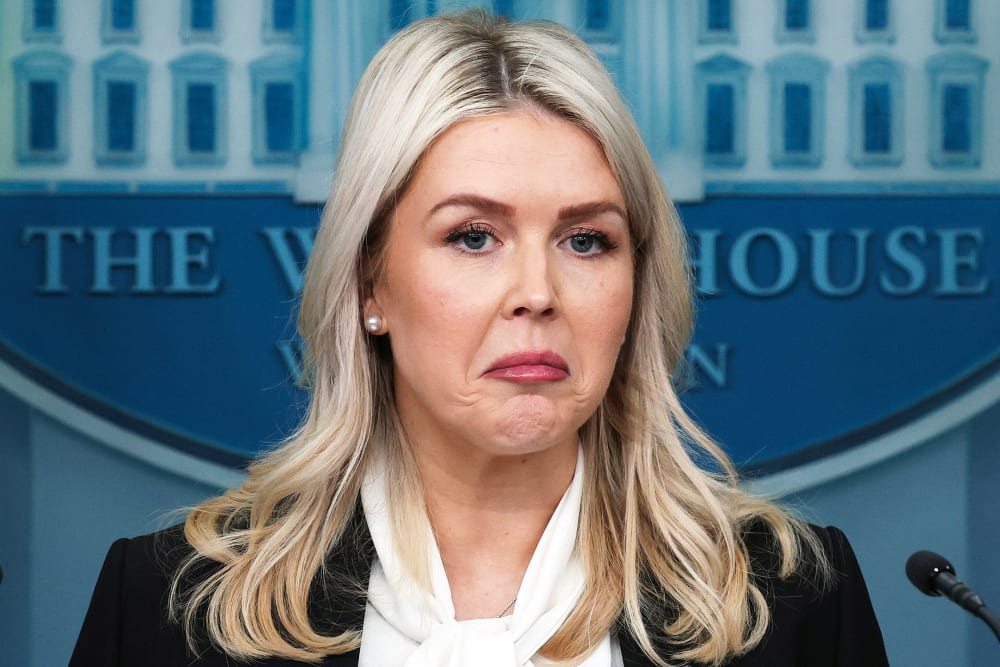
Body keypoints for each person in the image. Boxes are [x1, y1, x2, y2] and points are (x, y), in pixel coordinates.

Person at [71, 10, 889, 667]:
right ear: (369, 284)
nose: (537, 294)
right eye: (473, 236)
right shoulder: (170, 608)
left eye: (586, 241)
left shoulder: (791, 604)